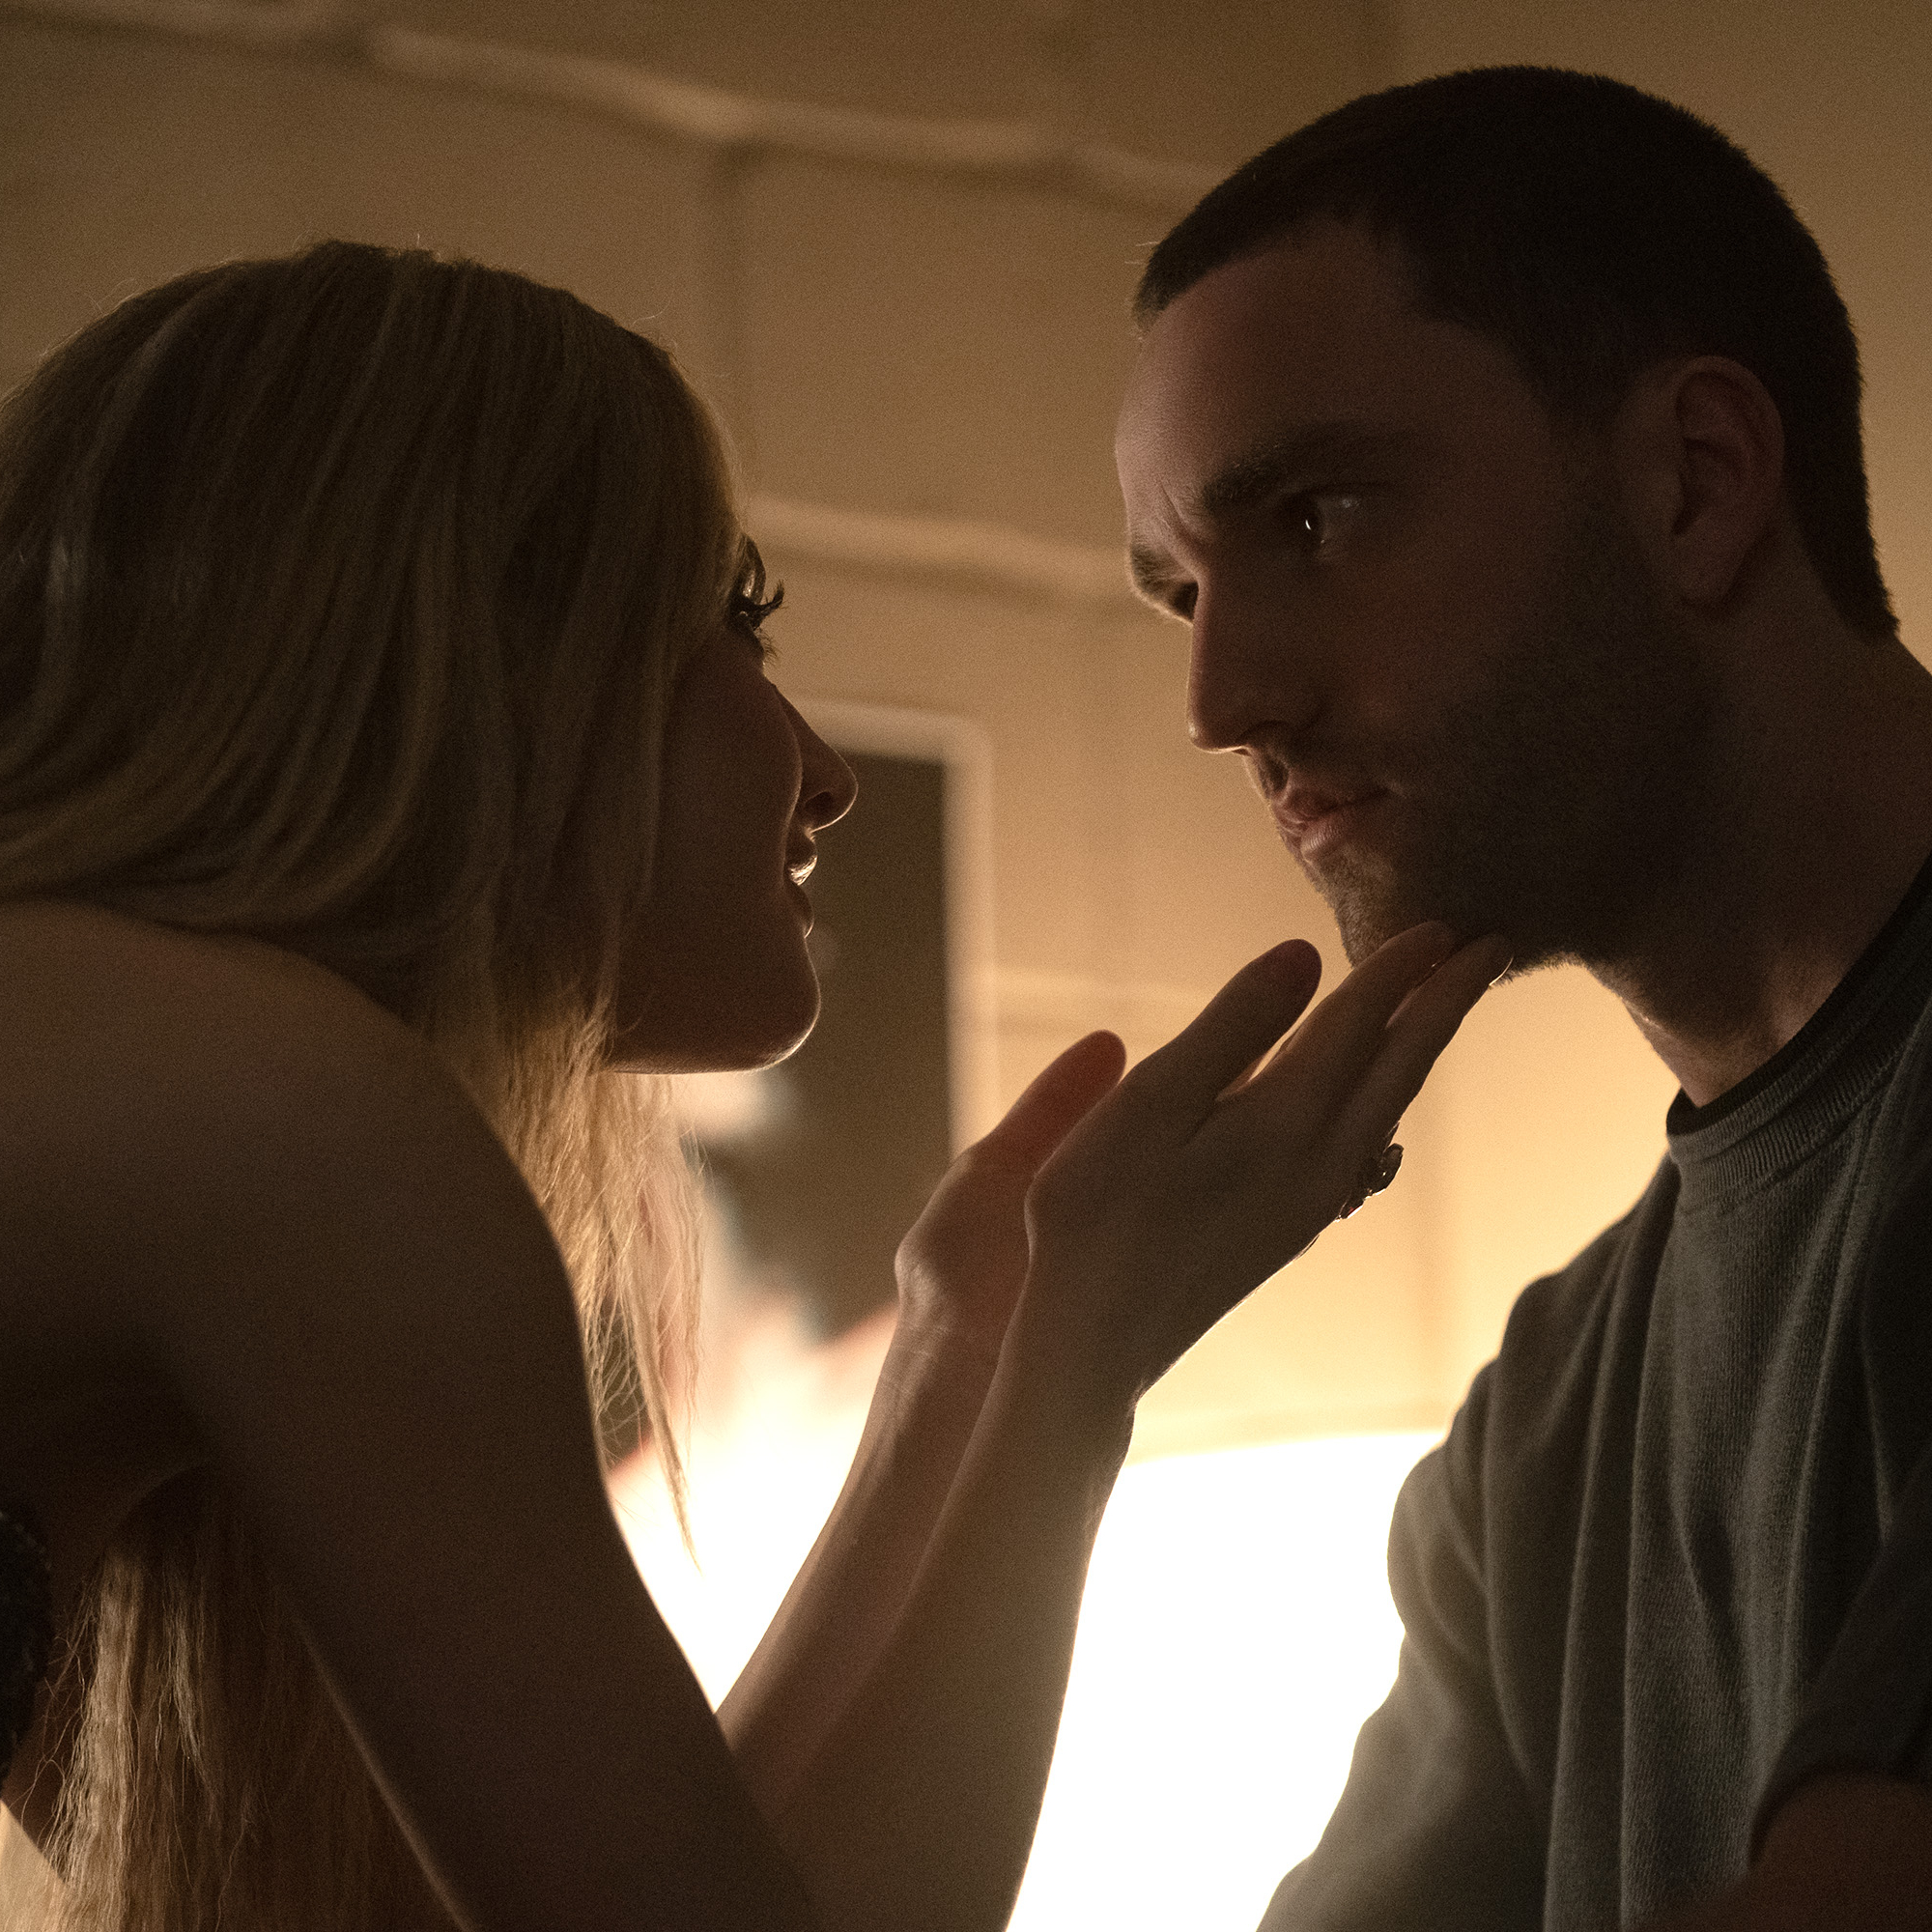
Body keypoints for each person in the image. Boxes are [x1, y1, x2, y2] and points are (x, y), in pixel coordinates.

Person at [0, 239, 1505, 1932]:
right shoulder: (281, 1117)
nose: (825, 774)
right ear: (489, 646)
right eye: (733, 620)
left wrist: (969, 1356)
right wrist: (1083, 1356)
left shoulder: (149, 1087)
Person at [1114, 64, 1932, 1932]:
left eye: (1315, 519)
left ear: (1697, 482)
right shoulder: (1538, 1439)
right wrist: (1029, 1389)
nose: (1223, 702)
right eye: (1181, 595)